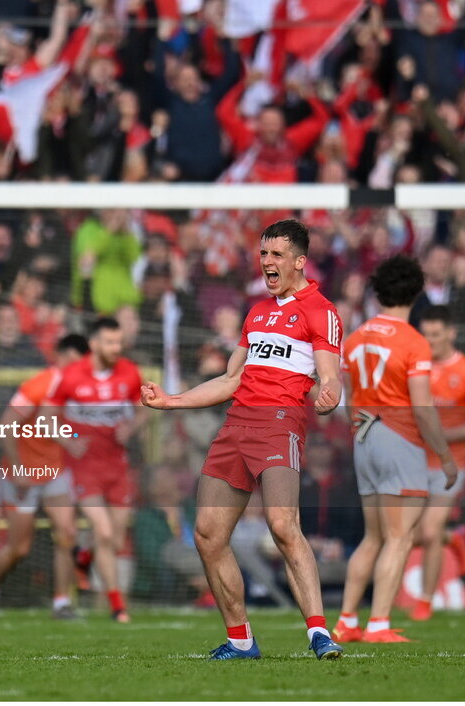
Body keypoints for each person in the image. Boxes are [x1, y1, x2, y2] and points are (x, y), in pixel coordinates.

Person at [141, 219, 345, 660]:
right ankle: (241, 640)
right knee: (208, 534)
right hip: (235, 426)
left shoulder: (321, 311)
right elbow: (232, 379)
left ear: (299, 261)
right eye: (263, 253)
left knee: (282, 525)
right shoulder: (256, 312)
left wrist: (329, 396)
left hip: (279, 422)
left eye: (276, 254)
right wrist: (171, 401)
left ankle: (319, 633)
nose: (267, 262)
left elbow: (330, 377)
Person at [335, 255, 457, 644]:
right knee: (400, 537)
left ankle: (347, 621)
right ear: (416, 293)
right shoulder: (414, 342)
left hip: (364, 438)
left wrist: (362, 431)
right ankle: (378, 625)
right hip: (399, 438)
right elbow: (422, 409)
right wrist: (447, 457)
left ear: (377, 291)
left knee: (373, 538)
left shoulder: (354, 338)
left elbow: (348, 398)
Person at [0, 333, 89, 619]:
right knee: (20, 548)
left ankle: (61, 602)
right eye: (75, 362)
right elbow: (5, 426)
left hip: (54, 471)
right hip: (24, 474)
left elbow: (63, 426)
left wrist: (74, 438)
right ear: (60, 357)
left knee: (67, 533)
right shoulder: (38, 386)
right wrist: (17, 469)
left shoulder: (75, 390)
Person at [44, 318, 146, 623]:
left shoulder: (128, 372)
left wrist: (132, 427)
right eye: (110, 342)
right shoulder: (72, 376)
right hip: (84, 468)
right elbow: (46, 418)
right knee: (103, 532)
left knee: (114, 540)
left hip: (118, 466)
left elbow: (144, 409)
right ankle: (118, 608)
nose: (117, 348)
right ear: (95, 344)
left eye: (119, 342)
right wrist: (69, 440)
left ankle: (84, 555)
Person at [411, 306, 465, 621]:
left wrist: (449, 434)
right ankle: (454, 538)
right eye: (425, 334)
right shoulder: (414, 370)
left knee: (429, 531)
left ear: (451, 333)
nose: (430, 340)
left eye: (436, 334)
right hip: (415, 461)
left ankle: (425, 602)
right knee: (405, 534)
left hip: (451, 464)